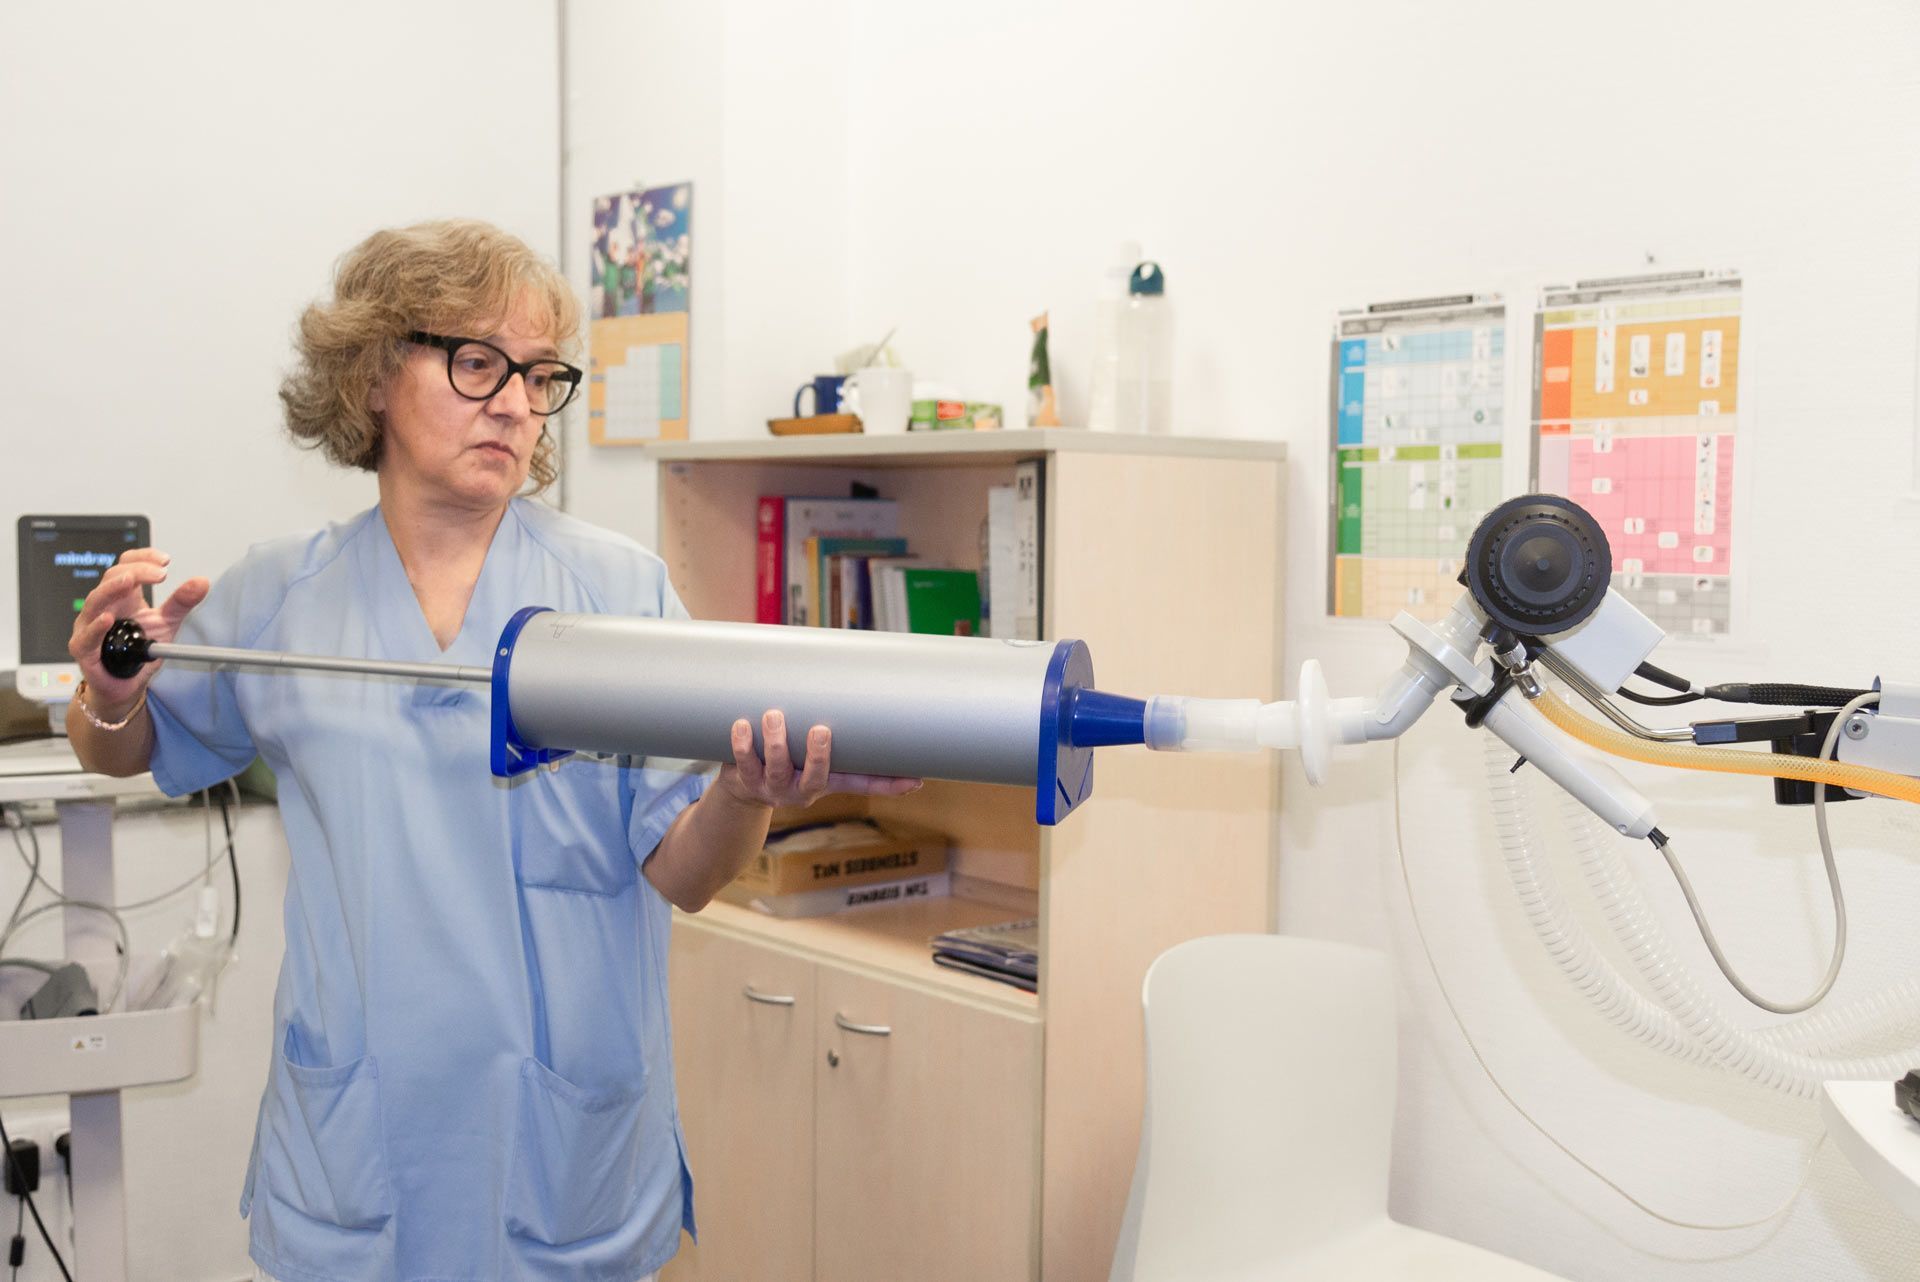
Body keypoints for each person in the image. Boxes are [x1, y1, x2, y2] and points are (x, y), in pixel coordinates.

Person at [63, 219, 918, 1282]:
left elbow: (686, 877)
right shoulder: (279, 597)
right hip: (362, 1144)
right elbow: (129, 746)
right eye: (478, 363)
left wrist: (747, 795)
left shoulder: (619, 595)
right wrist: (104, 693)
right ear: (373, 375)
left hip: (561, 1149)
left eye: (540, 374)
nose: (515, 402)